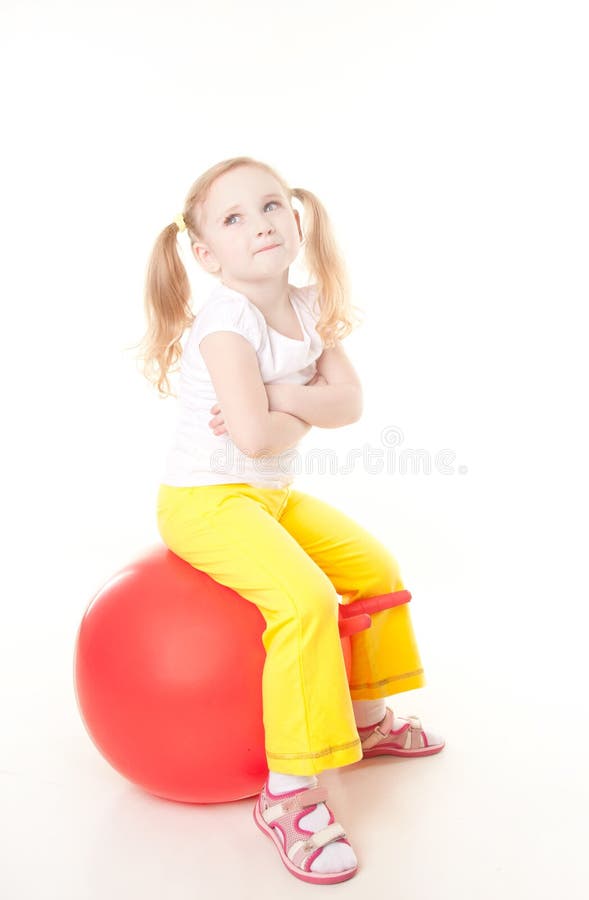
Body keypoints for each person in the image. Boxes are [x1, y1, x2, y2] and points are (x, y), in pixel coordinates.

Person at [137, 155, 445, 885]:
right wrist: (303, 401)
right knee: (304, 601)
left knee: (373, 567)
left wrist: (284, 400)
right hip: (205, 499)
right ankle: (290, 792)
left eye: (272, 206)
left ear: (297, 217)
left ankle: (366, 719)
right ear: (207, 254)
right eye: (235, 218)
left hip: (267, 495)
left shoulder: (308, 304)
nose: (261, 224)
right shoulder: (225, 320)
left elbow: (352, 404)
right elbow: (252, 438)